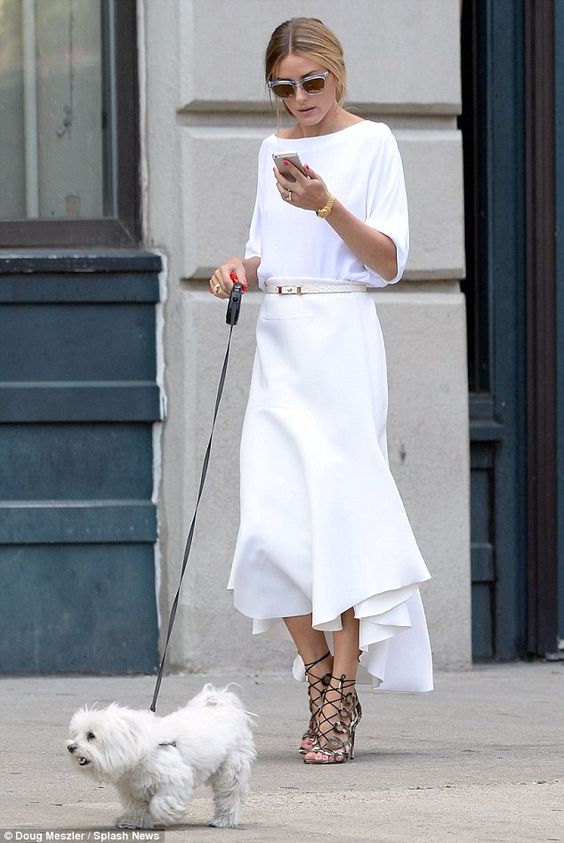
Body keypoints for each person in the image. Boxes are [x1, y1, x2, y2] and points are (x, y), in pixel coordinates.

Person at [210, 17, 433, 765]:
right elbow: (266, 249)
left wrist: (328, 206)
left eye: (312, 82)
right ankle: (318, 677)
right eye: (284, 86)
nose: (300, 98)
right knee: (274, 524)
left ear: (337, 73)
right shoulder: (272, 149)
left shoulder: (374, 144)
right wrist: (236, 269)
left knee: (338, 517)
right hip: (281, 341)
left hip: (340, 337)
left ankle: (340, 692)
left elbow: (390, 260)